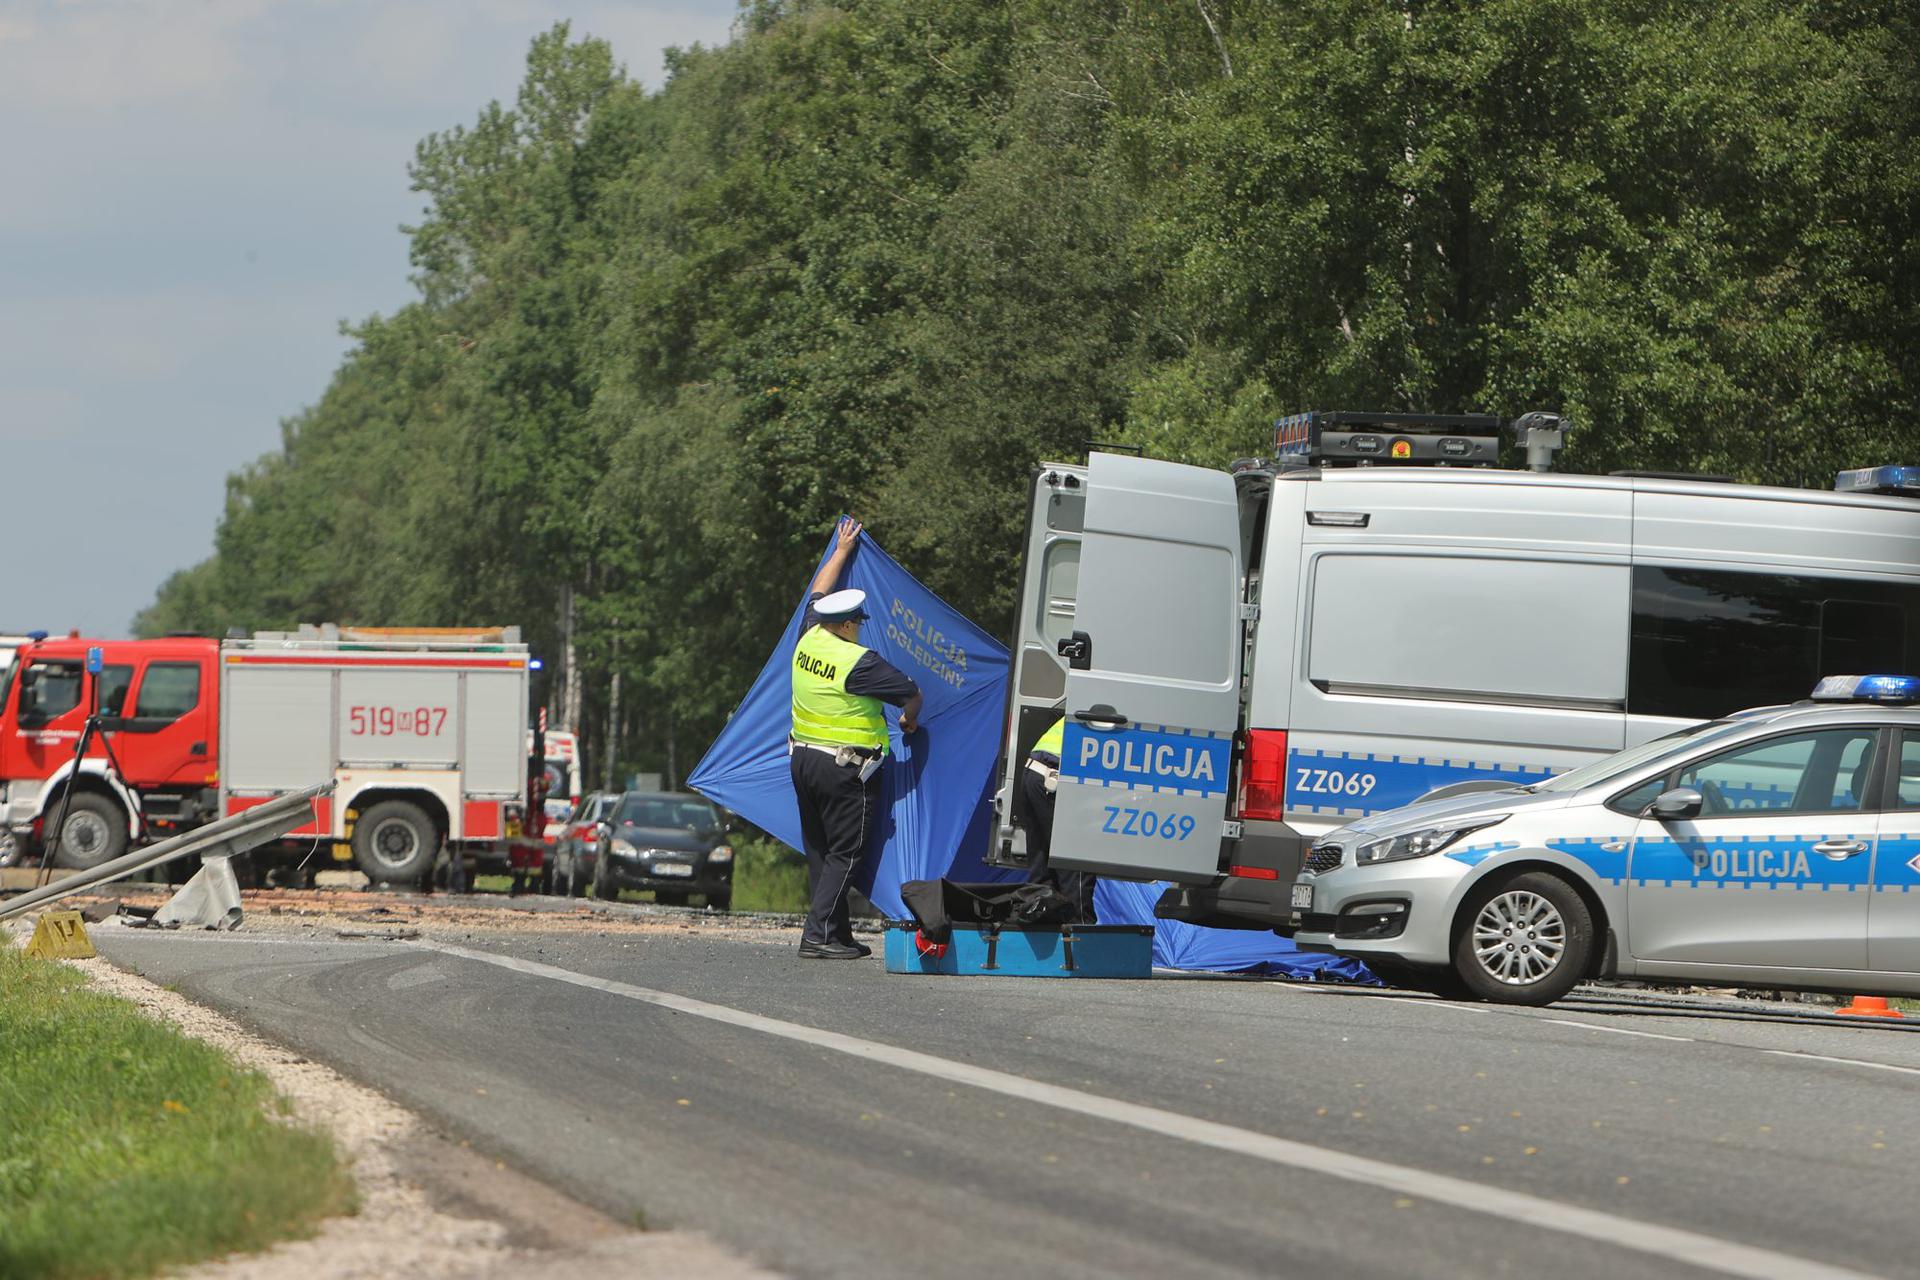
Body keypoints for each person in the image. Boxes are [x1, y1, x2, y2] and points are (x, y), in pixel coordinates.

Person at [789, 516, 923, 958]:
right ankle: (817, 936)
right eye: (859, 621)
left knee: (821, 851)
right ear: (847, 626)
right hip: (844, 769)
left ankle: (836, 932)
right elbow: (910, 691)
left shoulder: (808, 637)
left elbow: (818, 592)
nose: (861, 626)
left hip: (802, 760)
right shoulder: (858, 662)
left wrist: (842, 550)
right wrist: (908, 722)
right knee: (846, 853)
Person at [1020, 710, 1096, 922]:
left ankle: (1044, 934)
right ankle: (1080, 940)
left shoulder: (1097, 697)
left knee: (1043, 873)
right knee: (1076, 864)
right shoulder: (1125, 702)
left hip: (1036, 773)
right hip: (1055, 778)